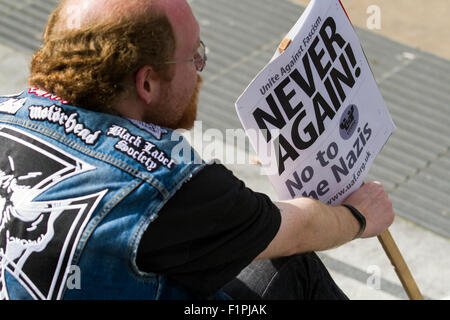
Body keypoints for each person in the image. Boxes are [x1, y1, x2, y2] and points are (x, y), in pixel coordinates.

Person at [0, 0, 394, 300]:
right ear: (147, 83)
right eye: (194, 56)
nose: (200, 67)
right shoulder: (169, 183)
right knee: (290, 267)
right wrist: (357, 216)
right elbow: (297, 229)